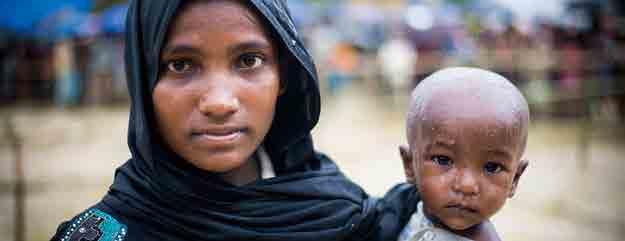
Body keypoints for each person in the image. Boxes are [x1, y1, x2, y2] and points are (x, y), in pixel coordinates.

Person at [49, 0, 420, 241]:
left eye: (248, 60)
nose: (219, 102)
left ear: (284, 75)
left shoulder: (345, 217)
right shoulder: (106, 233)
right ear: (144, 82)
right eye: (181, 65)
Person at [397, 67, 530, 241]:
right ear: (410, 165)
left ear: (515, 179)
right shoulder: (396, 210)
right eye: (443, 160)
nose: (467, 185)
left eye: (492, 167)